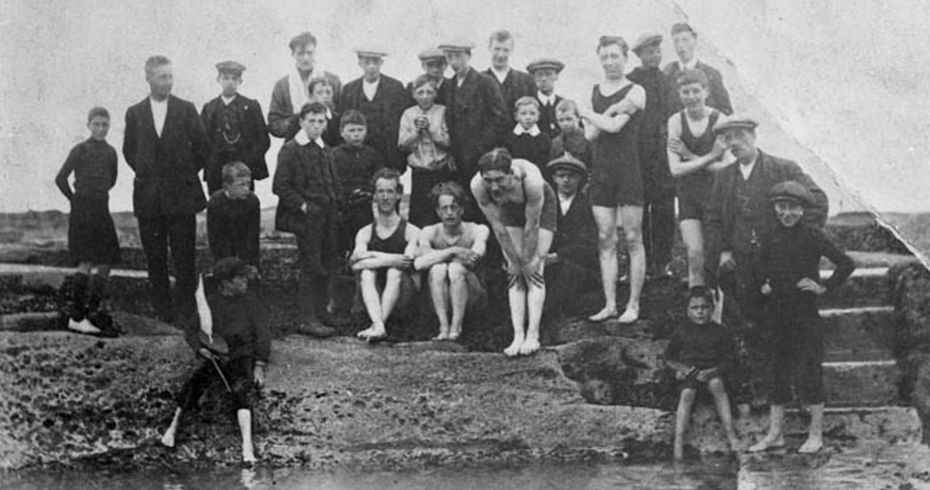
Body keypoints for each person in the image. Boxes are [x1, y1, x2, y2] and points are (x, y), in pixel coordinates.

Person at [704, 115, 828, 408]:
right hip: (743, 268)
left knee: (790, 330)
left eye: (739, 136)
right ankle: (767, 393)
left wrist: (795, 240)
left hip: (781, 270)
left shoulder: (783, 168)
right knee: (753, 329)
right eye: (728, 139)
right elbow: (712, 218)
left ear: (753, 135)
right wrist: (722, 250)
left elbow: (818, 201)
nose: (734, 144)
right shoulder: (723, 177)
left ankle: (802, 393)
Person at [747, 181, 855, 454]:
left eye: (793, 208)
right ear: (774, 208)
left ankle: (816, 434)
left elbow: (846, 263)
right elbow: (758, 265)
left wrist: (824, 287)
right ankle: (775, 434)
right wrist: (763, 284)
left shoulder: (813, 235)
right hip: (777, 314)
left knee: (810, 371)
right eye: (781, 207)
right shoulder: (768, 235)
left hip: (805, 316)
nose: (787, 213)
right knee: (777, 373)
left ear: (803, 209)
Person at [160, 257, 270, 465]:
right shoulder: (210, 303)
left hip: (241, 354)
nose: (245, 280)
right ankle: (172, 429)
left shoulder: (251, 302)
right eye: (239, 277)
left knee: (240, 390)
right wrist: (201, 349)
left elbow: (263, 334)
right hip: (217, 354)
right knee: (195, 383)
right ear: (226, 283)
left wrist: (259, 365)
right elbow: (192, 331)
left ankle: (247, 447)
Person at [123, 55, 209, 323]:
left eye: (171, 77)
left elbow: (202, 149)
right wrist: (150, 174)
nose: (168, 82)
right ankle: (162, 312)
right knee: (155, 258)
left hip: (181, 197)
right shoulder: (135, 113)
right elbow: (130, 152)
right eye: (162, 77)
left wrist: (181, 174)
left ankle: (186, 311)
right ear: (148, 78)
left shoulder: (186, 109)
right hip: (149, 199)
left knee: (185, 257)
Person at [578, 35, 647, 324]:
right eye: (604, 57)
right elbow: (590, 135)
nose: (609, 62)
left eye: (615, 56)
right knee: (606, 238)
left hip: (628, 171)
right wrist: (604, 112)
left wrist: (586, 112)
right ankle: (610, 305)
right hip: (602, 172)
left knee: (632, 238)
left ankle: (633, 304)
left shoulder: (637, 90)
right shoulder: (594, 90)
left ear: (625, 57)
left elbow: (616, 127)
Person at [471, 149, 556, 357]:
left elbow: (532, 225)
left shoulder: (532, 181)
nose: (493, 186)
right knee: (514, 273)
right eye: (488, 180)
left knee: (535, 267)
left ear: (511, 173)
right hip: (508, 209)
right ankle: (518, 335)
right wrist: (513, 260)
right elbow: (497, 227)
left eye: (499, 179)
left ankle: (533, 334)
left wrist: (527, 259)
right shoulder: (478, 185)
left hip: (539, 211)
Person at [272, 102, 340, 338]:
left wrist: (335, 205)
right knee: (310, 266)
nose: (316, 126)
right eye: (311, 121)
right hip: (306, 217)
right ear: (301, 121)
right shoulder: (291, 149)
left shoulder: (326, 149)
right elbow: (279, 185)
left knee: (326, 263)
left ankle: (321, 312)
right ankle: (307, 318)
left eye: (321, 121)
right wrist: (303, 205)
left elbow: (333, 182)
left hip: (327, 216)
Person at [54, 106, 121, 335]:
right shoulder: (79, 150)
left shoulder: (111, 152)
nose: (101, 128)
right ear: (89, 125)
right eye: (96, 124)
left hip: (101, 208)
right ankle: (76, 316)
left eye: (105, 124)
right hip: (82, 210)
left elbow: (111, 179)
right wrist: (75, 200)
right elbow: (60, 178)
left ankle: (92, 311)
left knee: (107, 261)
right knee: (86, 261)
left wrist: (96, 194)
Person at [667, 69, 729, 288]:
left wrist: (691, 157)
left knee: (715, 256)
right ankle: (697, 312)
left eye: (695, 91)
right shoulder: (675, 121)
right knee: (694, 253)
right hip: (688, 197)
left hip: (715, 197)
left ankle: (716, 316)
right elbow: (675, 169)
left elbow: (729, 168)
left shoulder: (720, 120)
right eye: (685, 92)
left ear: (706, 92)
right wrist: (712, 156)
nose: (691, 97)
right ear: (679, 94)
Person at [666, 286, 740, 460]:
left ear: (712, 309)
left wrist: (712, 372)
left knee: (716, 384)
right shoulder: (681, 331)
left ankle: (731, 435)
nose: (700, 312)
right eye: (694, 308)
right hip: (690, 376)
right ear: (687, 311)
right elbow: (669, 358)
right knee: (687, 393)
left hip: (714, 376)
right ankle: (678, 442)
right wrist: (683, 370)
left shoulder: (721, 331)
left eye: (704, 307)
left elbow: (731, 361)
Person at [414, 181, 490, 341]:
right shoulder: (429, 231)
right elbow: (419, 263)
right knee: (438, 269)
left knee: (455, 269)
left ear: (462, 209)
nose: (449, 212)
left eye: (454, 207)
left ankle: (456, 326)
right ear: (438, 211)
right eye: (444, 208)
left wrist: (439, 255)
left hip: (472, 297)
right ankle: (444, 327)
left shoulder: (477, 229)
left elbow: (475, 256)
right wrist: (453, 251)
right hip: (439, 297)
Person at [351, 169, 421, 341]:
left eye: (390, 191)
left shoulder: (411, 231)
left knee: (394, 271)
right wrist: (390, 258)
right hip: (370, 298)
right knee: (367, 272)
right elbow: (356, 265)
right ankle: (379, 325)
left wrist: (372, 257)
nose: (385, 197)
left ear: (398, 195)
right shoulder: (365, 232)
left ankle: (378, 325)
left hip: (401, 300)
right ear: (374, 196)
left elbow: (405, 262)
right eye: (380, 191)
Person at [628, 34, 675, 280]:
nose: (655, 55)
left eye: (658, 51)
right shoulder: (632, 81)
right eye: (650, 52)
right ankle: (641, 262)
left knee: (664, 208)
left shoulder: (667, 80)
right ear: (640, 56)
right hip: (639, 152)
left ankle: (663, 262)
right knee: (639, 208)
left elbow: (673, 114)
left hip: (663, 153)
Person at [439, 39, 509, 196]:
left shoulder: (485, 82)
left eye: (458, 56)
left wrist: (480, 149)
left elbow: (500, 119)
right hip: (456, 158)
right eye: (450, 57)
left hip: (480, 156)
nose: (454, 62)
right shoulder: (448, 85)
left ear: (468, 56)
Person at [200, 61, 270, 195]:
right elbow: (201, 141)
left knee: (244, 205)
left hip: (243, 167)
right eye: (226, 78)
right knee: (217, 205)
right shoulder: (209, 108)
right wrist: (211, 161)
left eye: (234, 78)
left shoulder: (251, 106)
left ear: (240, 81)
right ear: (218, 80)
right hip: (216, 169)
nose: (230, 82)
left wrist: (248, 163)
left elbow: (263, 139)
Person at [543, 154, 598, 322]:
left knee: (572, 272)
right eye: (561, 176)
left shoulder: (588, 206)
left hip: (577, 264)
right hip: (547, 261)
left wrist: (559, 255)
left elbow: (588, 243)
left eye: (571, 176)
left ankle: (546, 315)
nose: (566, 180)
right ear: (554, 178)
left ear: (580, 178)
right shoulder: (545, 204)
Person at [338, 48, 412, 172]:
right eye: (367, 62)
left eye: (375, 62)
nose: (371, 66)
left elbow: (405, 121)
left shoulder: (395, 87)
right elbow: (342, 123)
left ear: (381, 63)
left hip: (388, 153)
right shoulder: (349, 90)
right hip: (359, 153)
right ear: (360, 63)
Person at [398, 75, 454, 227]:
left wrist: (431, 130)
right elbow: (402, 144)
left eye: (429, 92)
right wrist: (416, 132)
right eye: (420, 92)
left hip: (441, 170)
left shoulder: (443, 111)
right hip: (420, 172)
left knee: (442, 208)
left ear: (435, 94)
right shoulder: (408, 114)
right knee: (420, 214)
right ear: (413, 94)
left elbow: (450, 142)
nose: (425, 96)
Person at [332, 109, 385, 263]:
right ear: (342, 132)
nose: (356, 134)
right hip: (343, 209)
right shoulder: (334, 155)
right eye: (351, 130)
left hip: (366, 207)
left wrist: (368, 193)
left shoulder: (372, 154)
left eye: (360, 130)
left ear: (366, 131)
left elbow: (378, 179)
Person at [268, 32, 342, 141]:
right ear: (293, 54)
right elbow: (274, 124)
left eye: (309, 53)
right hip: (295, 145)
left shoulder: (332, 81)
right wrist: (299, 122)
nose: (305, 58)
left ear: (315, 52)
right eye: (300, 53)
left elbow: (343, 115)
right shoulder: (282, 86)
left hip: (329, 143)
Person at [663, 23, 732, 116]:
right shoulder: (668, 73)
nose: (681, 45)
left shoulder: (711, 74)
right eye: (676, 41)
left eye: (685, 40)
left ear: (694, 41)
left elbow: (726, 111)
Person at [207, 162, 260, 268]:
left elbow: (252, 237)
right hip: (223, 252)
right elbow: (216, 239)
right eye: (241, 185)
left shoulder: (252, 201)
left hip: (245, 248)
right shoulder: (215, 202)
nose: (246, 189)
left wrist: (249, 264)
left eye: (248, 184)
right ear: (227, 186)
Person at [483, 30, 536, 128]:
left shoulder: (526, 81)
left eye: (505, 50)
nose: (500, 55)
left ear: (511, 50)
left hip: (518, 140)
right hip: (486, 141)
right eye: (497, 49)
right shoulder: (477, 80)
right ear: (489, 48)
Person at [505, 96, 552, 172]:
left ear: (538, 116)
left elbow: (545, 163)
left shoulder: (544, 139)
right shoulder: (509, 138)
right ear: (516, 116)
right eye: (523, 114)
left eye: (532, 113)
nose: (528, 117)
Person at [526, 58, 565, 137]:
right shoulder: (527, 104)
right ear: (534, 78)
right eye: (539, 74)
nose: (543, 79)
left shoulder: (563, 104)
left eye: (548, 74)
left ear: (556, 76)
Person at [549, 99, 592, 166]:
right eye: (561, 120)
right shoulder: (556, 143)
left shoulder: (588, 139)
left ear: (578, 118)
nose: (565, 124)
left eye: (569, 119)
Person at [307, 76, 342, 147]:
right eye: (320, 93)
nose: (325, 96)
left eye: (328, 92)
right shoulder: (300, 119)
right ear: (310, 96)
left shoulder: (339, 119)